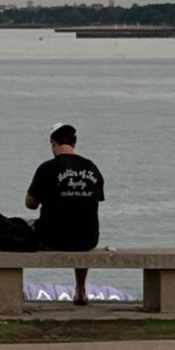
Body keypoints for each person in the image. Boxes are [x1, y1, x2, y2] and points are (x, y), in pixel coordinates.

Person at [26, 122, 105, 305]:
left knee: (22, 227)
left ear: (53, 143)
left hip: (53, 238)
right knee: (81, 223)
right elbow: (96, 200)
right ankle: (81, 289)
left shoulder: (47, 168)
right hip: (88, 239)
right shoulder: (92, 168)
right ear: (74, 143)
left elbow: (30, 204)